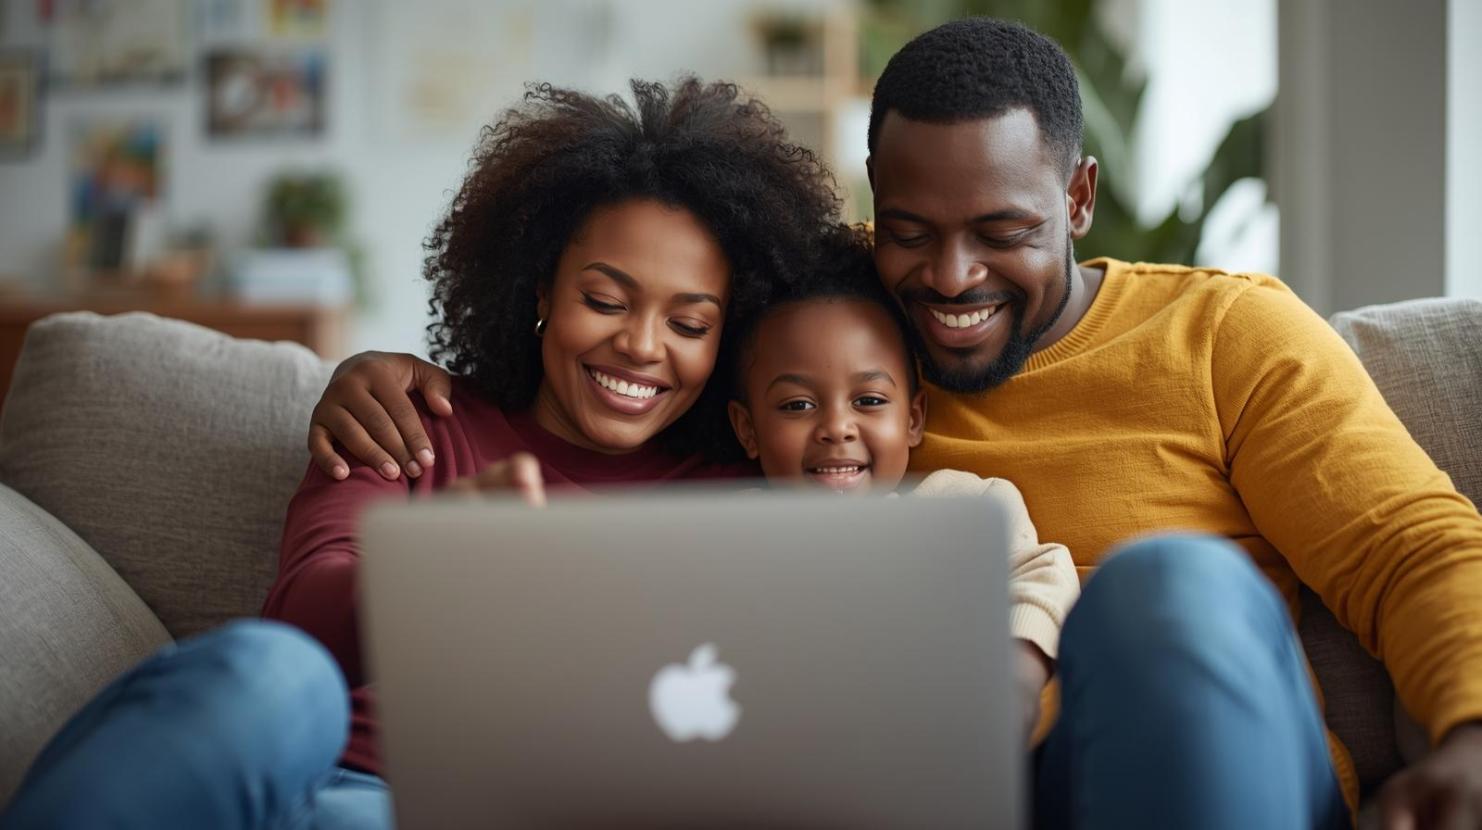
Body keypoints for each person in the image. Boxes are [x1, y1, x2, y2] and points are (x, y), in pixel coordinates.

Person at [313, 19, 1482, 830]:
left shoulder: (1225, 334)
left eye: (1003, 229)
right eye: (912, 226)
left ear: (1077, 197)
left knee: (1157, 586)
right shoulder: (818, 342)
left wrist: (1474, 727)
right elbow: (634, 368)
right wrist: (385, 373)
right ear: (872, 193)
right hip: (963, 798)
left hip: (1210, 765)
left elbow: (1411, 544)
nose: (951, 274)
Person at [0, 77, 843, 830]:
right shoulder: (410, 419)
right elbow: (301, 623)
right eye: (604, 299)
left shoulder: (745, 484)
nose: (641, 346)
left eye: (690, 324)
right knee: (272, 674)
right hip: (333, 777)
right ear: (541, 287)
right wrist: (432, 564)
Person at [723, 227, 1079, 739]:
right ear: (748, 430)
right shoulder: (724, 531)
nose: (837, 427)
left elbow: (1042, 574)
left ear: (913, 419)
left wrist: (1014, 680)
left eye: (868, 401)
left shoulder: (964, 507)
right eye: (797, 405)